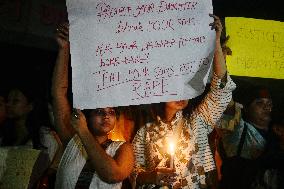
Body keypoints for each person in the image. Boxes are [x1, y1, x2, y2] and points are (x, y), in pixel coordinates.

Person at [131, 14, 236, 189]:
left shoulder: (197, 122)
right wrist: (150, 176)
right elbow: (133, 173)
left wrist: (216, 42)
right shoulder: (145, 132)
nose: (181, 94)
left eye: (185, 88)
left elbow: (222, 90)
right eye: (174, 88)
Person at [52, 23, 134, 189]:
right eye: (99, 111)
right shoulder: (72, 141)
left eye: (111, 112)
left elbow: (112, 175)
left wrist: (83, 131)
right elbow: (58, 93)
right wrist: (64, 50)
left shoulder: (123, 149)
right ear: (87, 116)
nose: (106, 116)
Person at [216, 86, 279, 189]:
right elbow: (222, 101)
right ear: (246, 108)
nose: (267, 107)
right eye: (259, 103)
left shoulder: (277, 135)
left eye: (269, 104)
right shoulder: (237, 132)